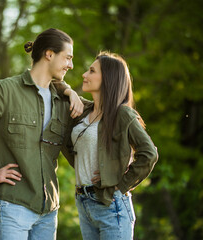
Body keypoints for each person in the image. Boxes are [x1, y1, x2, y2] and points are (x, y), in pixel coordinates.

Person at [0, 28, 84, 240]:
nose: (71, 65)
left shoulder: (63, 100)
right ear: (49, 54)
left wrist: (69, 91)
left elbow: (102, 114)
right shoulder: (5, 91)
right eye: (68, 57)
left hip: (49, 212)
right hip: (14, 207)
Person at [59, 51, 158, 239]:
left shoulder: (122, 114)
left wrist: (120, 185)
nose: (84, 75)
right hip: (83, 201)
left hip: (111, 204)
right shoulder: (83, 110)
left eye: (91, 71)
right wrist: (70, 92)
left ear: (108, 79)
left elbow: (149, 154)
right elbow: (54, 86)